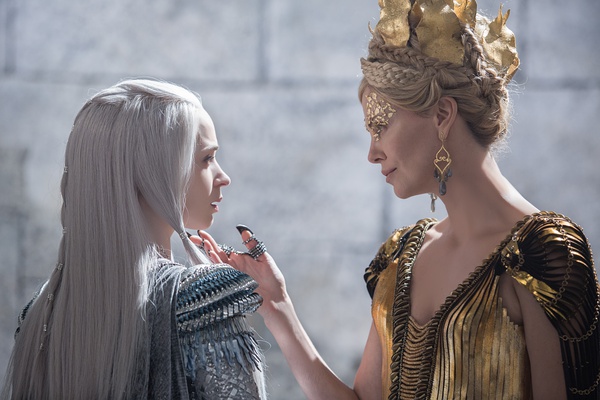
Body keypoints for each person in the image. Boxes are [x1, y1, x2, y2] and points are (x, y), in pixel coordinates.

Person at [206, 0, 600, 399]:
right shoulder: (400, 256)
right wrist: (278, 307)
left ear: (442, 115)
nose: (372, 153)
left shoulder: (542, 255)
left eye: (380, 126)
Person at [1, 79, 267, 400]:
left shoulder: (41, 313)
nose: (223, 177)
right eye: (206, 158)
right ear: (154, 173)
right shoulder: (200, 304)